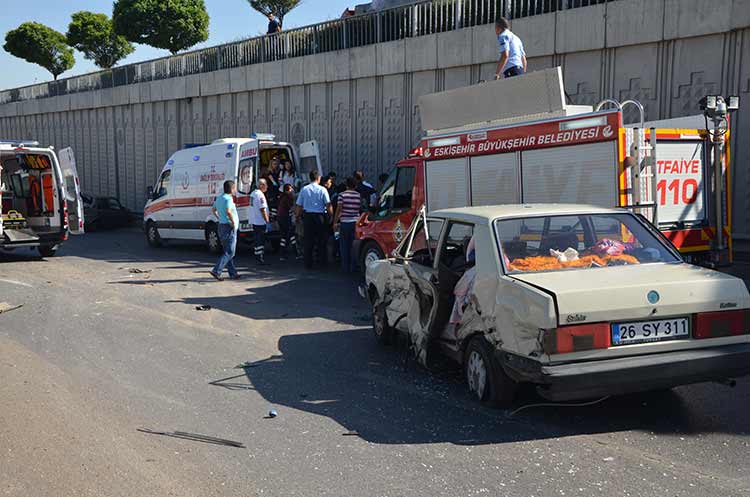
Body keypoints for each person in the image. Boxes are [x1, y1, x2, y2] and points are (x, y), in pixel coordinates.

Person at [295, 170, 332, 269]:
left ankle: (308, 263)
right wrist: (331, 215)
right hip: (320, 216)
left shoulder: (304, 189)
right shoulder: (323, 189)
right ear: (318, 178)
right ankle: (322, 262)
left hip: (308, 217)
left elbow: (299, 205)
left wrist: (297, 216)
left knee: (308, 241)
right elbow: (328, 204)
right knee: (322, 241)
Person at [210, 180, 241, 281]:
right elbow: (228, 211)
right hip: (229, 227)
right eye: (234, 188)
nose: (235, 190)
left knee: (227, 251)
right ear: (231, 189)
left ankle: (233, 273)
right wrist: (232, 221)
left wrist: (220, 218)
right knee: (230, 252)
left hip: (221, 226)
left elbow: (213, 210)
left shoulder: (219, 198)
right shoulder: (228, 199)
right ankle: (216, 270)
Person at [334, 177, 362, 272]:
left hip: (345, 222)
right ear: (355, 185)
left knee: (344, 245)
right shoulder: (358, 195)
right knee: (353, 245)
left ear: (346, 185)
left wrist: (335, 222)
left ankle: (345, 267)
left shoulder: (342, 195)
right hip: (355, 222)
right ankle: (353, 266)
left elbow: (339, 210)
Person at [249, 179, 271, 265]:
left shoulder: (253, 193)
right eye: (266, 184)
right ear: (261, 185)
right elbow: (262, 209)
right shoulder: (260, 195)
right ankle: (260, 258)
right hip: (260, 221)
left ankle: (257, 256)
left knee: (257, 239)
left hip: (254, 220)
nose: (267, 186)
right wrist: (267, 221)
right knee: (260, 240)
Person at [277, 183, 301, 261]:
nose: (292, 190)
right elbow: (292, 208)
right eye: (291, 189)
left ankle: (282, 254)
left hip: (281, 218)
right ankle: (296, 254)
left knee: (284, 236)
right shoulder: (287, 198)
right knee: (292, 235)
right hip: (285, 218)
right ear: (287, 190)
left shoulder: (282, 197)